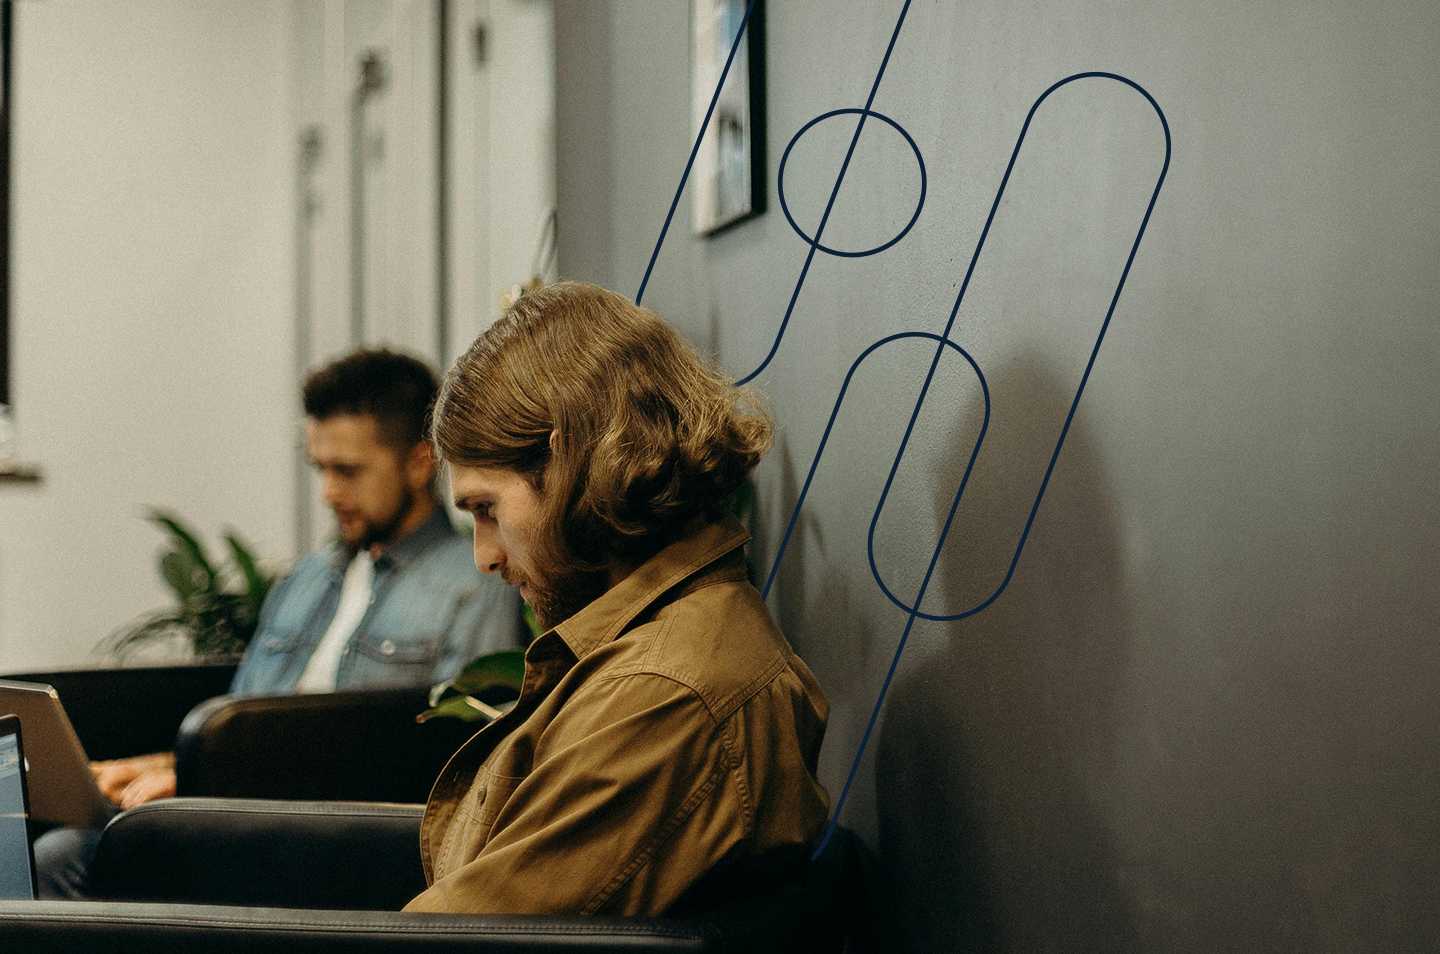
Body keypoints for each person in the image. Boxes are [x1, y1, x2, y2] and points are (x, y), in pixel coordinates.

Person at [402, 281, 830, 916]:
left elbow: (455, 940)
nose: (485, 557)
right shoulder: (653, 648)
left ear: (570, 460)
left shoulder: (665, 695)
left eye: (487, 510)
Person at [36, 347, 524, 898]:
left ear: (419, 462)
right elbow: (247, 725)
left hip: (332, 835)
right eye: (321, 469)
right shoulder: (308, 578)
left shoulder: (475, 582)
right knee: (46, 826)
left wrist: (210, 783)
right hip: (228, 811)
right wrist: (165, 767)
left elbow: (458, 757)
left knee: (63, 857)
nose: (329, 493)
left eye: (348, 471)